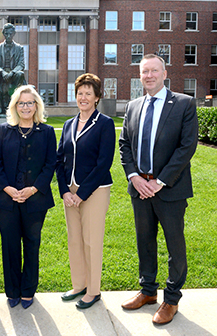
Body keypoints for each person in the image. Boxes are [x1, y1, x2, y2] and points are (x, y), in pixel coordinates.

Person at [119, 54, 198, 325]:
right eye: (144, 72)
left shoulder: (184, 104)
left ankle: (171, 299)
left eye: (154, 71)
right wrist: (134, 177)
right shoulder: (133, 106)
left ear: (165, 73)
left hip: (170, 189)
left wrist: (159, 181)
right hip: (139, 188)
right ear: (140, 75)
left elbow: (186, 147)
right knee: (145, 241)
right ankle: (148, 291)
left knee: (175, 245)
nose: (149, 75)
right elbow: (124, 145)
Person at [0, 85, 56, 309]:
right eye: (21, 103)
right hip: (7, 200)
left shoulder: (46, 132)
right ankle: (12, 291)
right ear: (14, 106)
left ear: (36, 106)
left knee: (31, 244)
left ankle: (28, 290)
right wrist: (7, 188)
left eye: (29, 103)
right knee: (10, 246)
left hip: (35, 200)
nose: (25, 107)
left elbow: (50, 165)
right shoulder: (4, 131)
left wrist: (33, 189)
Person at [56, 73, 115, 309]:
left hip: (95, 190)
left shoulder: (105, 123)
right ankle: (78, 285)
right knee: (75, 240)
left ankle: (93, 291)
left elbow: (104, 163)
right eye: (80, 93)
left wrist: (81, 194)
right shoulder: (69, 124)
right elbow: (59, 160)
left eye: (88, 93)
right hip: (70, 192)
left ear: (97, 97)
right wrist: (64, 191)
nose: (83, 97)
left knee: (92, 240)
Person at [0, 23, 25, 115]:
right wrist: (3, 72)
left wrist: (12, 72)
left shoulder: (19, 48)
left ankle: (11, 106)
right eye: (6, 34)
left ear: (14, 34)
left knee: (20, 74)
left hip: (13, 74)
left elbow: (21, 64)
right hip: (1, 74)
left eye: (11, 34)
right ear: (3, 34)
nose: (9, 36)